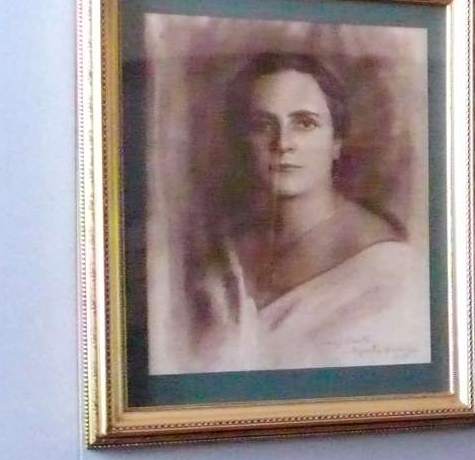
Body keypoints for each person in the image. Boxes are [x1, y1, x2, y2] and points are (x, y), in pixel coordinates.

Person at [158, 51, 429, 373]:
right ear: (243, 140)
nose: (283, 143)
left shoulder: (390, 274)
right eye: (263, 125)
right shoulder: (222, 256)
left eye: (304, 124)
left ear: (336, 142)